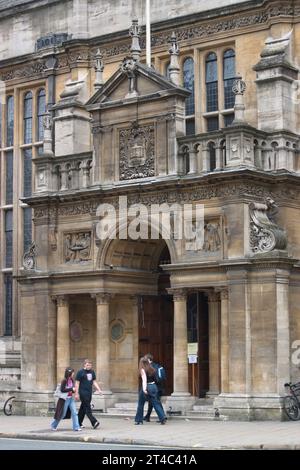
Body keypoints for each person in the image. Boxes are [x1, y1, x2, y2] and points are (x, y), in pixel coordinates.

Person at [134, 356, 167, 425]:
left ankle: (139, 420)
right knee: (155, 403)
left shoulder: (142, 370)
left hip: (147, 386)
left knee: (141, 403)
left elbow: (144, 380)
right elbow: (156, 379)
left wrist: (144, 389)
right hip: (154, 386)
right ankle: (162, 418)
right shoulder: (152, 369)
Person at [75, 359, 102, 429]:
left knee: (83, 408)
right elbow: (77, 383)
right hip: (82, 392)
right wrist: (76, 393)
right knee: (87, 407)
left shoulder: (92, 372)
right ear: (84, 365)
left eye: (90, 365)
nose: (89, 366)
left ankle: (78, 422)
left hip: (89, 392)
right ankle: (94, 422)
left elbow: (94, 382)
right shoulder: (80, 372)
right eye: (87, 365)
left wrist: (99, 390)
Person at [51, 367, 81, 431]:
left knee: (75, 413)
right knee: (62, 414)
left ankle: (76, 427)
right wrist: (71, 389)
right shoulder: (64, 380)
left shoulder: (72, 380)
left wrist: (74, 390)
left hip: (71, 399)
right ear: (69, 373)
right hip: (65, 400)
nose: (73, 373)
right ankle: (54, 425)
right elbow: (62, 390)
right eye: (73, 372)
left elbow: (71, 389)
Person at [143, 353, 166, 422]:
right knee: (152, 401)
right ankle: (147, 416)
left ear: (149, 360)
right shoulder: (157, 366)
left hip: (153, 386)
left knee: (156, 402)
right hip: (158, 386)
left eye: (145, 359)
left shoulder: (150, 367)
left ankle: (163, 417)